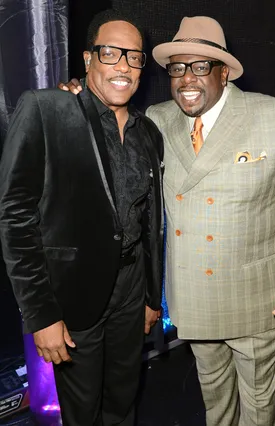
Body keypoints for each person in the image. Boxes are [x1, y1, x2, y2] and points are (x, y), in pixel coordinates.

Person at [61, 15, 275, 426]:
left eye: (200, 67)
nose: (187, 79)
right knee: (214, 400)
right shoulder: (158, 120)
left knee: (258, 408)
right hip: (194, 296)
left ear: (224, 72)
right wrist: (75, 99)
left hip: (257, 298)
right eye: (177, 68)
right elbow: (109, 135)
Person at [0, 10, 164, 426]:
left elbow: (147, 223)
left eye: (135, 57)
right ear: (88, 59)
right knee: (83, 410)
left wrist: (149, 297)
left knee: (124, 399)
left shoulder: (149, 133)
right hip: (72, 297)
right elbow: (16, 218)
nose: (124, 65)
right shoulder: (46, 108)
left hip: (132, 291)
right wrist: (40, 315)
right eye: (111, 53)